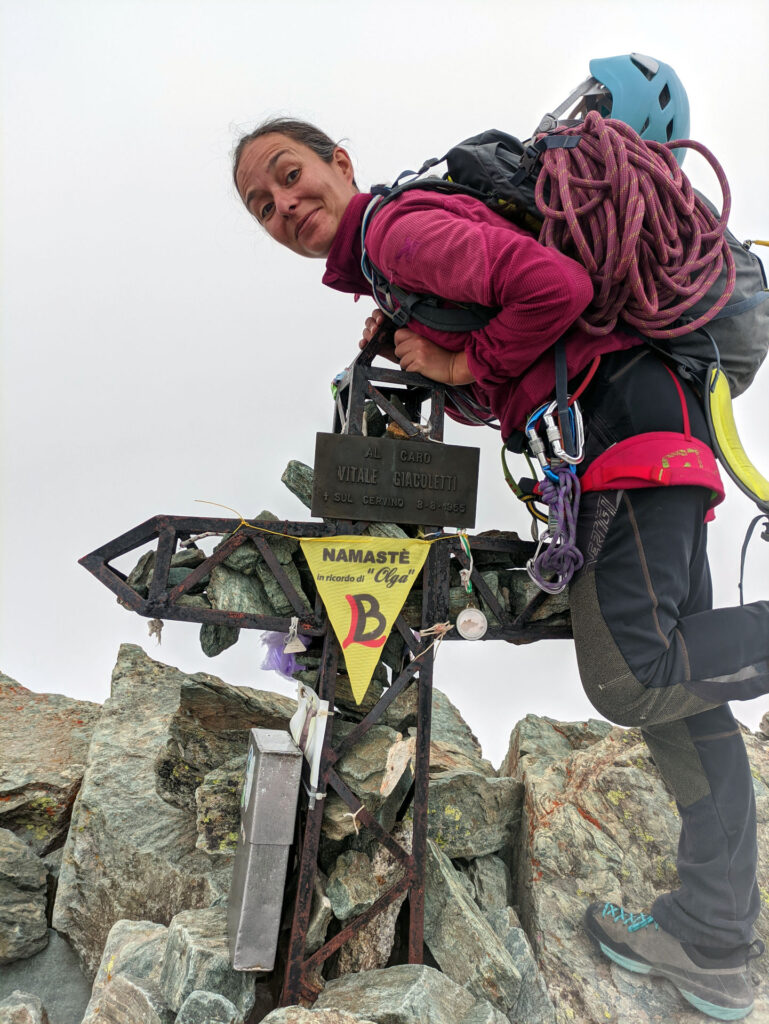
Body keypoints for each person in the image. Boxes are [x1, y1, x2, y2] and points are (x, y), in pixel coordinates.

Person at [232, 58, 767, 1020]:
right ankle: (714, 940)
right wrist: (420, 348)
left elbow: (550, 285)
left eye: (288, 174)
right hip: (649, 429)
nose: (281, 203)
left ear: (338, 162)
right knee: (683, 704)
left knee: (634, 676)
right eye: (260, 207)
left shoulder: (397, 230)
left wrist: (460, 357)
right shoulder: (394, 275)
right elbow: (507, 335)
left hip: (629, 435)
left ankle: (714, 931)